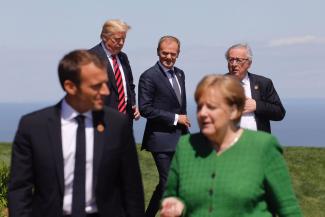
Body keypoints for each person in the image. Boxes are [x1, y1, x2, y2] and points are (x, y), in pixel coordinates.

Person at [8, 50, 145, 217]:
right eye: (96, 86)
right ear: (70, 87)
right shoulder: (34, 127)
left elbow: (132, 189)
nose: (105, 92)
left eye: (106, 84)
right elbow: (19, 190)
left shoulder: (117, 125)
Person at [161, 75, 302, 217]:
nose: (202, 113)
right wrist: (173, 204)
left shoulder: (263, 147)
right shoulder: (185, 146)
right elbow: (171, 194)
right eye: (200, 106)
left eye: (211, 107)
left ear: (234, 110)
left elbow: (289, 210)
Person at [138, 35, 190, 217]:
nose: (168, 57)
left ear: (178, 54)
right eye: (164, 53)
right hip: (160, 140)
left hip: (181, 139)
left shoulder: (181, 74)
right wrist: (176, 118)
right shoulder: (148, 77)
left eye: (172, 54)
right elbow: (145, 109)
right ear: (158, 52)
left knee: (166, 184)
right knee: (170, 184)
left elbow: (179, 104)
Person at [225, 43, 286, 133]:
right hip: (227, 143)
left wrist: (257, 106)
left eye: (238, 60)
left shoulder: (263, 83)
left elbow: (279, 113)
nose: (234, 64)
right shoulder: (217, 84)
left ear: (249, 63)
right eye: (231, 60)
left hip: (257, 143)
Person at [90, 19, 140, 125]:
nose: (121, 43)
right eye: (117, 39)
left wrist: (133, 104)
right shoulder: (91, 57)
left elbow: (130, 85)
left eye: (123, 39)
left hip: (126, 119)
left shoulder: (123, 57)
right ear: (104, 37)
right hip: (103, 120)